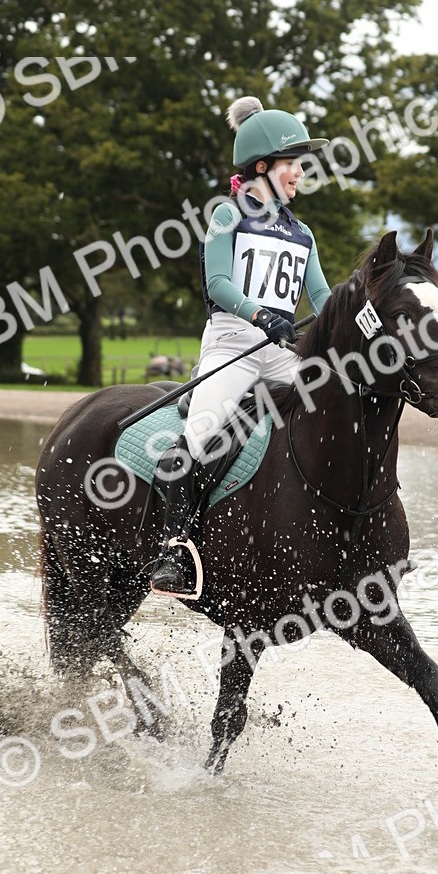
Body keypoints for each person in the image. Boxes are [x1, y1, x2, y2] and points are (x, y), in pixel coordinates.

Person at [150, 95, 332, 593]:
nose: (301, 174)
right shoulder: (228, 217)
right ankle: (173, 552)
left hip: (282, 352)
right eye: (294, 163)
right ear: (263, 166)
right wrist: (262, 315)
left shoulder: (302, 232)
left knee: (340, 404)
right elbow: (219, 284)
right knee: (198, 437)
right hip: (233, 345)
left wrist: (349, 319)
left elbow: (321, 297)